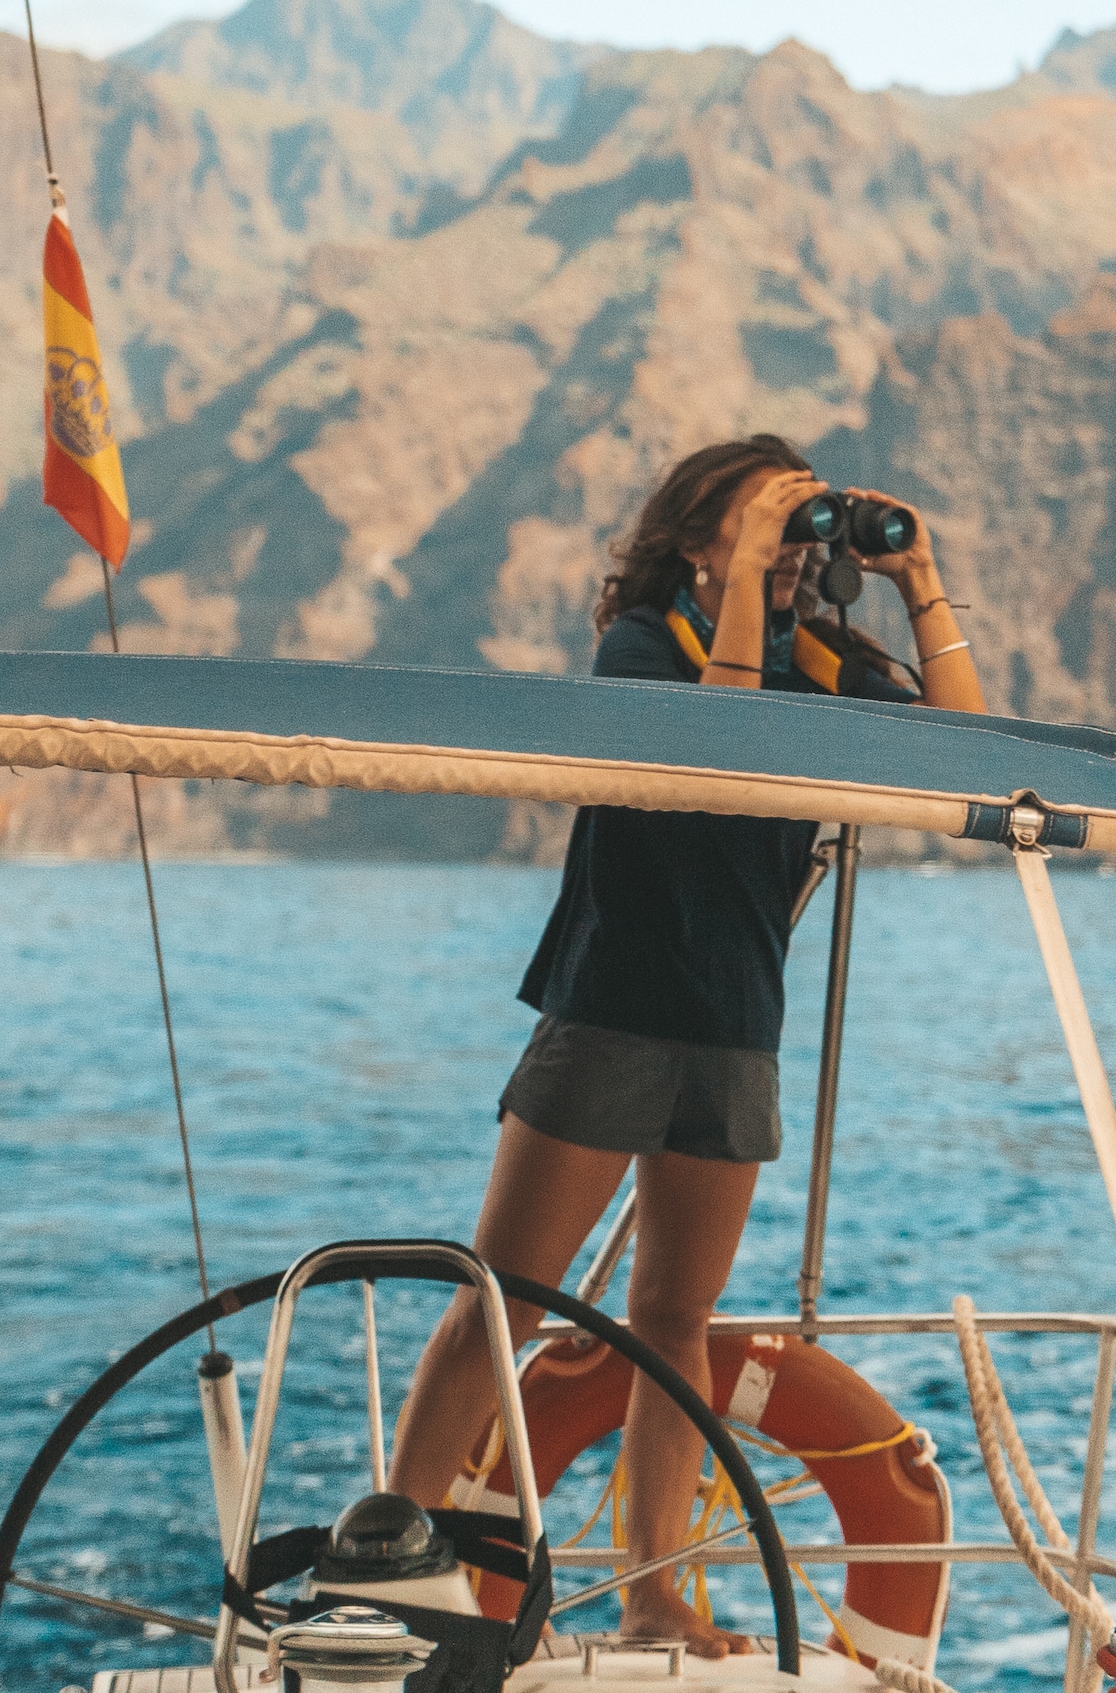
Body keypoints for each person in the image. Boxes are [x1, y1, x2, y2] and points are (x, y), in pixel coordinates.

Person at [387, 434, 984, 1655]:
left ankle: (653, 1587)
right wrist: (751, 571)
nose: (786, 550)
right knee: (502, 1299)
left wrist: (920, 579)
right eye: (759, 523)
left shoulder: (822, 666)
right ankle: (386, 1551)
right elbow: (721, 750)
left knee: (673, 1319)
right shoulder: (640, 647)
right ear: (695, 538)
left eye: (796, 528)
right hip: (610, 1011)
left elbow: (968, 755)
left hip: (732, 1030)